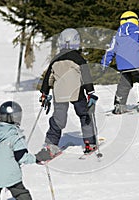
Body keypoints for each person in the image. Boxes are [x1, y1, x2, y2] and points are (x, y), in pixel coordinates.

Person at [39, 28, 98, 158]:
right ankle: (90, 142)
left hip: (59, 93)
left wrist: (44, 93)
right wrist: (90, 93)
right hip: (76, 91)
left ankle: (51, 144)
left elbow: (48, 78)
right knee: (84, 115)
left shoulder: (55, 59)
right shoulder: (78, 58)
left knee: (58, 119)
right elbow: (86, 76)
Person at [0, 101, 46, 200]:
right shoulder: (14, 135)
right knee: (20, 193)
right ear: (12, 117)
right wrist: (36, 158)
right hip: (9, 174)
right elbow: (21, 156)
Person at [100, 11, 139, 114]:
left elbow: (110, 51)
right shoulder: (137, 33)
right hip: (137, 64)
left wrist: (104, 65)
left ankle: (119, 105)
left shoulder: (117, 36)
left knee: (124, 84)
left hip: (123, 66)